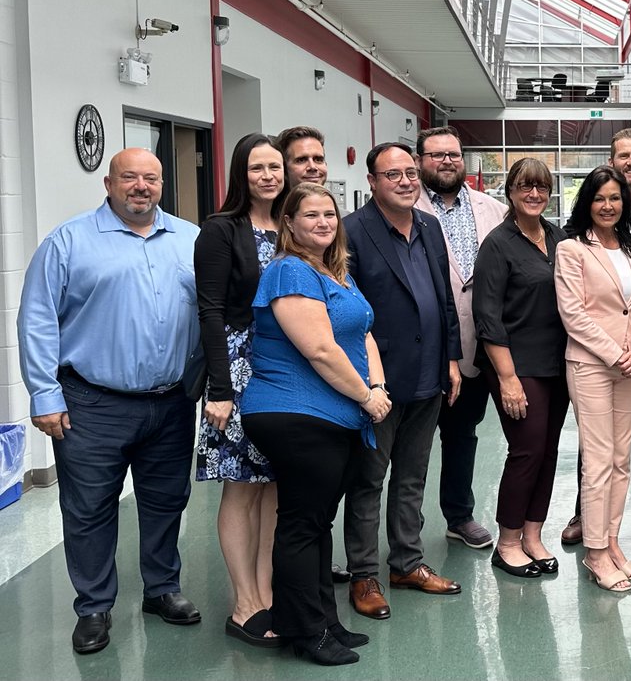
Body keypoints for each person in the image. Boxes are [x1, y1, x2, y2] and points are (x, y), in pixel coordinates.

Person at [17, 148, 203, 654]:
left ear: (162, 184)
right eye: (129, 177)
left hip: (171, 403)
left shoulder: (191, 239)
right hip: (91, 402)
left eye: (151, 178)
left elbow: (212, 314)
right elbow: (37, 318)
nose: (140, 186)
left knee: (167, 501)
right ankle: (94, 606)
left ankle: (162, 589)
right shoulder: (69, 241)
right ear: (108, 183)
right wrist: (44, 393)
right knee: (89, 508)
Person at [241, 183, 391, 666]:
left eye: (330, 214)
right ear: (289, 223)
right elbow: (321, 349)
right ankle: (305, 632)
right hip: (294, 413)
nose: (324, 222)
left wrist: (380, 388)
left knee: (315, 522)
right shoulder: (289, 271)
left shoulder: (333, 272)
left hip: (333, 413)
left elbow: (361, 332)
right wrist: (366, 395)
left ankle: (324, 622)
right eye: (311, 215)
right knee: (303, 525)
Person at [342, 142, 464, 617]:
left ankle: (407, 563)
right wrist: (366, 381)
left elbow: (445, 300)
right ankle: (364, 575)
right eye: (393, 175)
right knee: (369, 480)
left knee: (413, 477)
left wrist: (451, 359)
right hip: (379, 382)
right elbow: (348, 313)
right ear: (371, 182)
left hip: (429, 376)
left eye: (411, 173)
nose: (407, 181)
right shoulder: (351, 232)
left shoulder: (430, 227)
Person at [562, 128, 631, 545]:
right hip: (599, 353)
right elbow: (575, 305)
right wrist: (616, 352)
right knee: (596, 443)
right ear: (612, 161)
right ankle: (584, 515)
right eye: (623, 155)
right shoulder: (577, 238)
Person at [194, 133, 286, 647]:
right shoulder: (221, 230)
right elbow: (209, 311)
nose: (268, 175)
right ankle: (243, 602)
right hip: (239, 367)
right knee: (242, 484)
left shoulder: (294, 225)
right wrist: (221, 389)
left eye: (275, 166)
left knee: (274, 485)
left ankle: (269, 594)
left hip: (287, 364)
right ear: (240, 174)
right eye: (257, 168)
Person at [555, 166, 631, 592]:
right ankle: (595, 553)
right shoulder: (572, 249)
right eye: (600, 198)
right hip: (592, 366)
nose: (608, 205)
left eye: (615, 198)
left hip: (630, 367)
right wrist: (617, 353)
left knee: (620, 458)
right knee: (597, 461)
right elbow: (573, 314)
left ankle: (612, 541)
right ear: (587, 203)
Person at [474, 158, 569, 579]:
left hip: (556, 363)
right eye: (525, 187)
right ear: (510, 192)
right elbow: (487, 315)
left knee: (548, 451)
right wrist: (508, 379)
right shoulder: (498, 244)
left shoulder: (557, 236)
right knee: (527, 449)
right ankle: (508, 542)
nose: (534, 195)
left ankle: (533, 534)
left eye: (542, 188)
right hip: (515, 364)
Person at [413, 125, 506, 550]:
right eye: (436, 155)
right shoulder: (405, 207)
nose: (447, 161)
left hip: (479, 344)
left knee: (462, 432)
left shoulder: (493, 208)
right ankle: (405, 527)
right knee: (408, 444)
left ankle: (459, 515)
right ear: (420, 161)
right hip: (422, 346)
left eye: (453, 154)